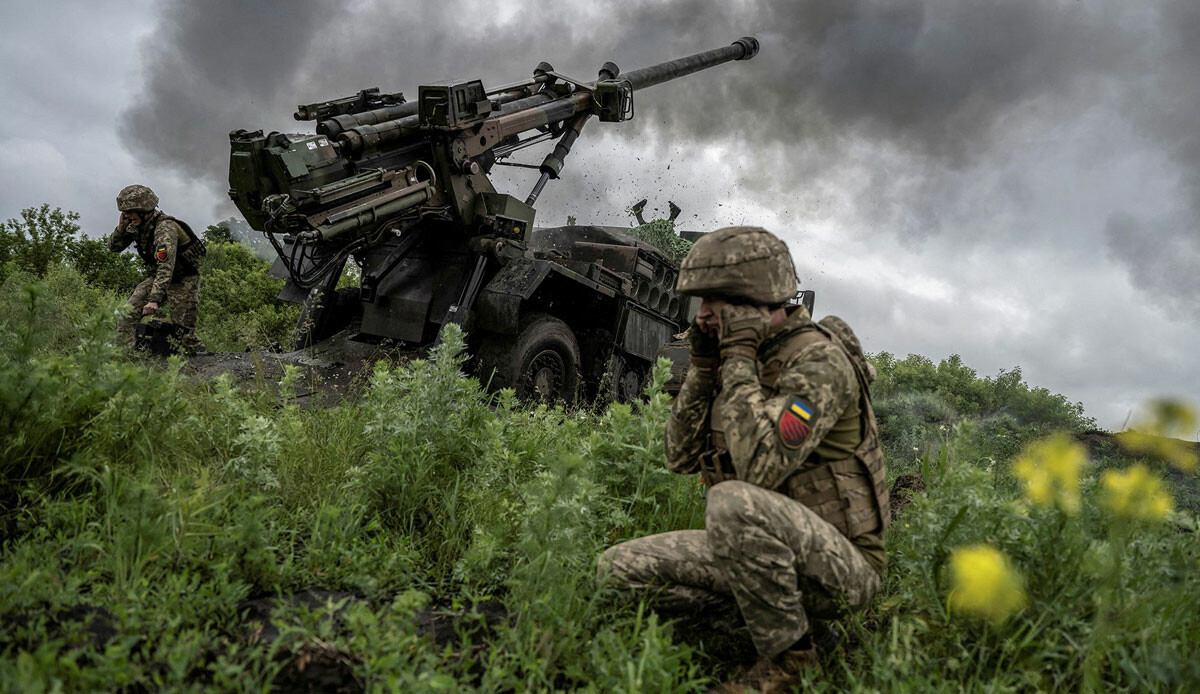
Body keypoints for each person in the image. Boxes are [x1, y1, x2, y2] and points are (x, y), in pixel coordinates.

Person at [597, 226, 889, 693]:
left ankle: (792, 661)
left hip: (840, 566)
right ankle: (784, 625)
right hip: (764, 554)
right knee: (616, 572)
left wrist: (735, 358)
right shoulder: (740, 358)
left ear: (759, 300)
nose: (704, 314)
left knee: (732, 500)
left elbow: (760, 468)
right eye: (702, 302)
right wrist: (705, 368)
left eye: (717, 301)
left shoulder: (818, 364)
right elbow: (680, 456)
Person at [109, 184, 206, 353]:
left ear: (143, 210)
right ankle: (123, 359)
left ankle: (204, 364)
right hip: (160, 278)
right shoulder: (137, 226)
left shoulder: (165, 229)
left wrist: (154, 299)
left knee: (183, 333)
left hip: (183, 279)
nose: (125, 215)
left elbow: (166, 266)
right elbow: (113, 247)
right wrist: (121, 229)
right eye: (123, 212)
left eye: (129, 211)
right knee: (127, 314)